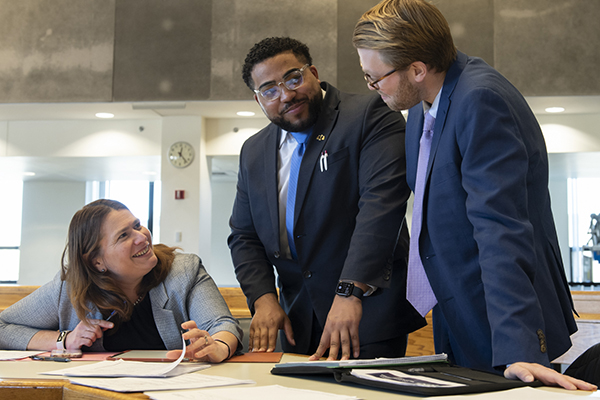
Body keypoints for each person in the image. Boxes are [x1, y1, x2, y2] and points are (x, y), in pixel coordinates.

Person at [352, 0, 597, 391]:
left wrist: (519, 347)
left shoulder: (481, 99)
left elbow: (501, 227)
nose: (372, 88)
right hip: (456, 302)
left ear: (416, 69)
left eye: (374, 78)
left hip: (499, 312)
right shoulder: (423, 104)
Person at [228, 37, 425, 360]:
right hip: (296, 322)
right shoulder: (254, 150)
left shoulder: (370, 113)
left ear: (313, 72)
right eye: (270, 90)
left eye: (293, 78)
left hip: (364, 314)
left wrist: (349, 290)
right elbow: (244, 236)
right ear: (258, 99)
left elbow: (380, 208)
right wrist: (263, 298)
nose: (286, 94)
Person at [0, 199, 241, 363]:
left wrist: (218, 346)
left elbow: (222, 323)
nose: (142, 237)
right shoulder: (69, 288)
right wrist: (64, 339)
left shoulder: (184, 271)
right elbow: (3, 327)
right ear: (97, 262)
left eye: (137, 226)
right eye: (124, 236)